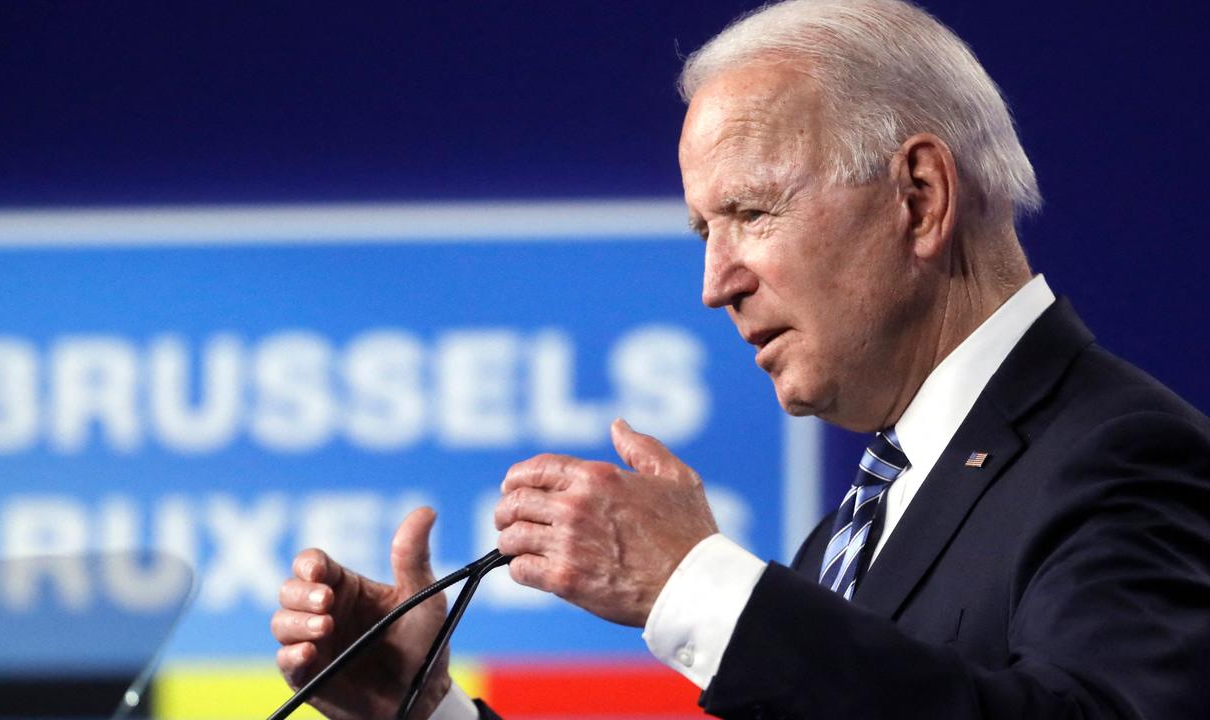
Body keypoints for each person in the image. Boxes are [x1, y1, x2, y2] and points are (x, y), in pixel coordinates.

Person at [272, 0, 1210, 717]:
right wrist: (423, 708)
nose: (715, 283)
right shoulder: (848, 537)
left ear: (919, 198)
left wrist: (694, 582)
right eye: (703, 230)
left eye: (752, 214)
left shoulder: (1125, 457)